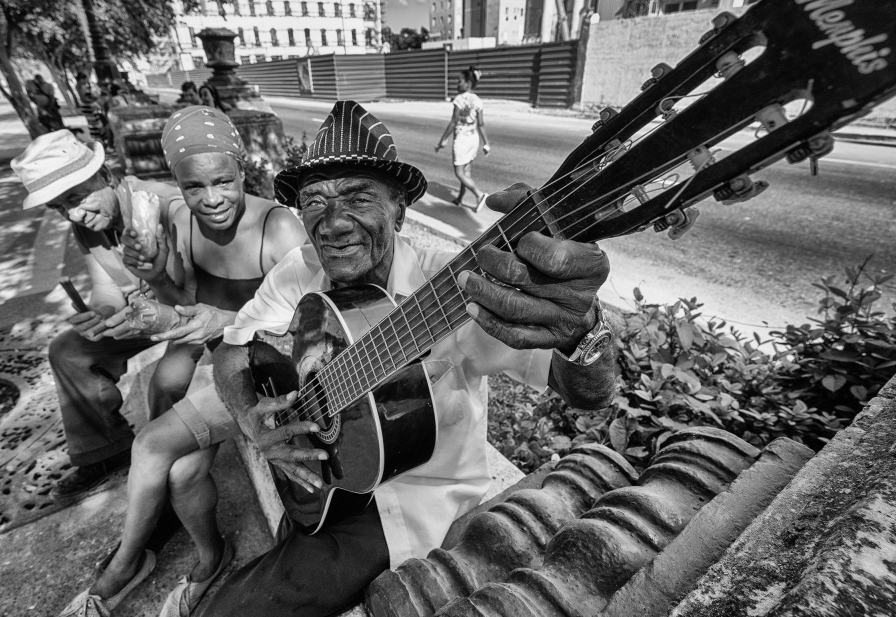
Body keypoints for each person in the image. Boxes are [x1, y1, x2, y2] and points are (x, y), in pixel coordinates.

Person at [199, 100, 617, 617]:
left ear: (399, 209)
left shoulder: (455, 287)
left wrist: (584, 330)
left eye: (357, 197)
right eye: (313, 202)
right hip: (330, 481)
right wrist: (251, 420)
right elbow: (232, 350)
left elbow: (588, 393)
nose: (332, 224)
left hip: (411, 506)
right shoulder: (298, 270)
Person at [58, 106, 307, 617]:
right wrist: (152, 288)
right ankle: (211, 560)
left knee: (152, 443)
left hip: (266, 372)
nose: (211, 199)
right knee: (181, 474)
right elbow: (183, 303)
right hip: (220, 366)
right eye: (194, 187)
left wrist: (223, 320)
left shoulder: (277, 227)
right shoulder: (180, 220)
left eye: (224, 181)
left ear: (244, 171)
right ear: (178, 186)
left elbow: (310, 325)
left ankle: (123, 568)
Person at [11, 131, 183, 497]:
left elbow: (197, 294)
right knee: (68, 350)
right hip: (145, 313)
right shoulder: (87, 223)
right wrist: (100, 314)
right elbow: (107, 288)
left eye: (75, 198)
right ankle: (105, 452)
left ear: (104, 175)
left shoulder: (164, 205)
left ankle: (162, 487)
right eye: (58, 208)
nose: (73, 214)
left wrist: (150, 304)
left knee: (165, 385)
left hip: (188, 310)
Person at [435, 66, 491, 212]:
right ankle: (460, 198)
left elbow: (453, 122)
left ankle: (479, 195)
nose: (457, 84)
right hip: (473, 139)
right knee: (466, 171)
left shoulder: (459, 99)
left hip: (461, 141)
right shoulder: (478, 100)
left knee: (459, 173)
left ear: (468, 83)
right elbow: (481, 124)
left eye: (459, 81)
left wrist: (442, 140)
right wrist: (486, 144)